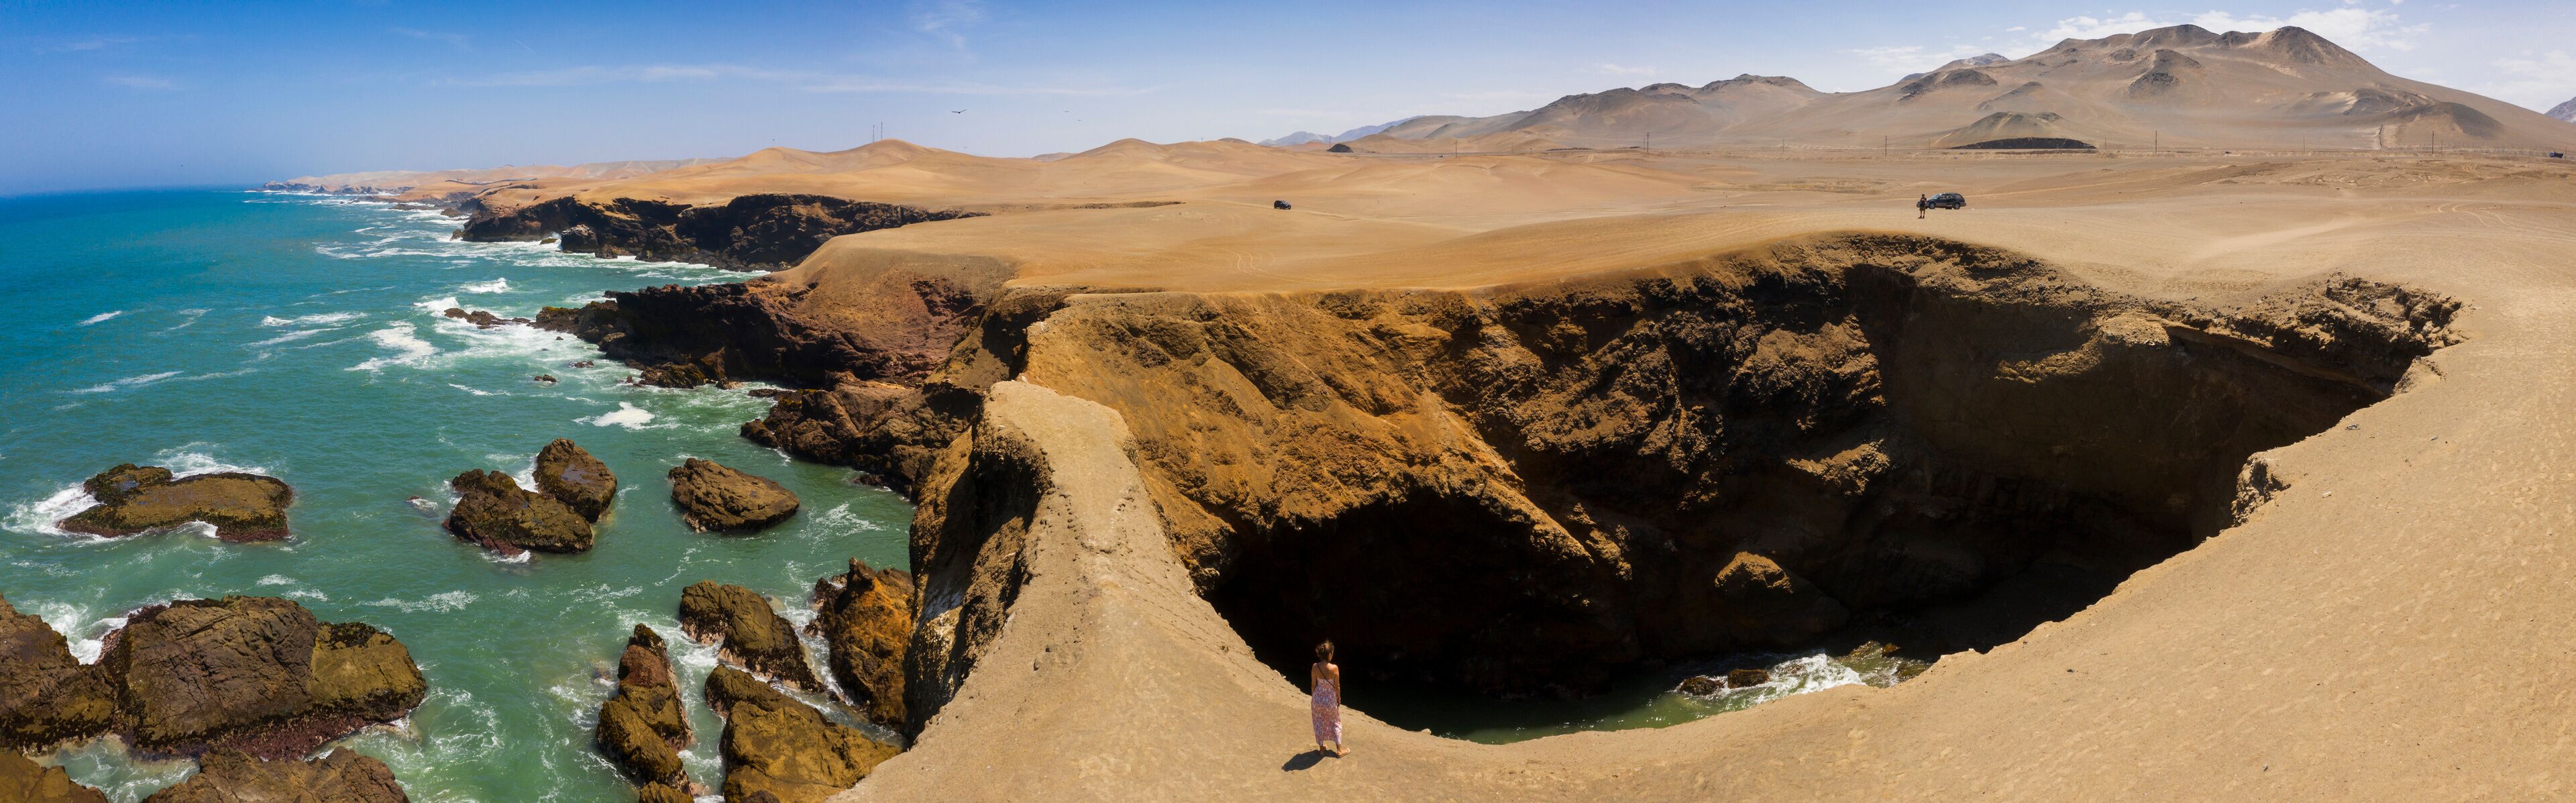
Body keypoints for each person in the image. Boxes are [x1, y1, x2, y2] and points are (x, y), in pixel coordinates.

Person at [1310, 641, 1346, 757]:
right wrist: (1339, 698)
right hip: (1330, 700)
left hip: (1317, 699)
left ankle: (1322, 749)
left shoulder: (1315, 667)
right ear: (1330, 654)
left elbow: (1313, 685)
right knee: (1335, 722)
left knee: (1319, 722)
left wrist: (1315, 699)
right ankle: (1339, 750)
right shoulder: (1334, 668)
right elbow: (1337, 686)